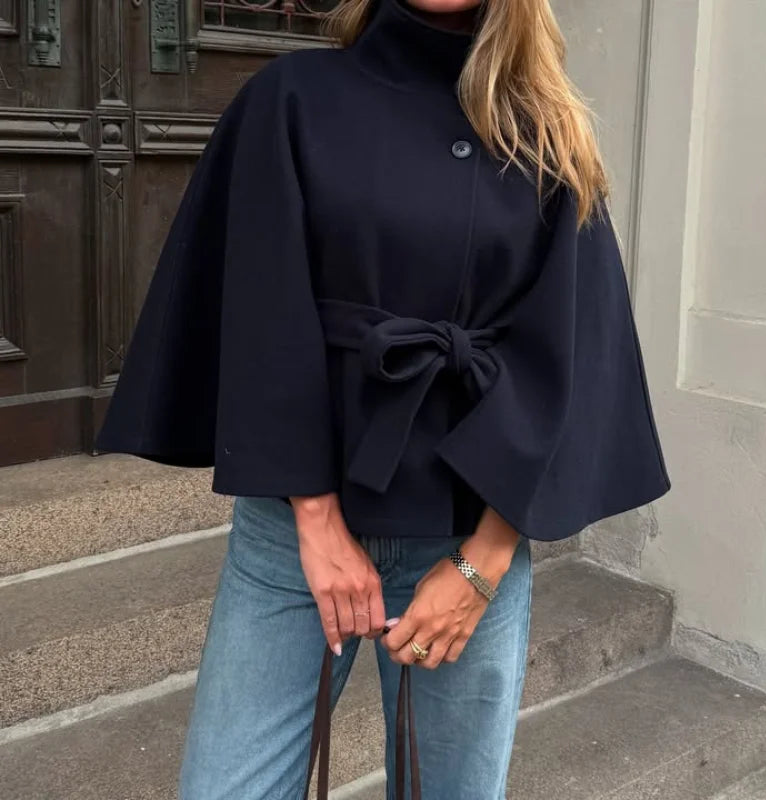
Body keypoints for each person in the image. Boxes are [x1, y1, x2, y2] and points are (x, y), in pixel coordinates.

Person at [94, 0, 671, 796]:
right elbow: (261, 310)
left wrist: (482, 564)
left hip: (470, 533)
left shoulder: (547, 130)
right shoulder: (291, 98)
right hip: (295, 538)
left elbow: (574, 350)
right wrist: (318, 521)